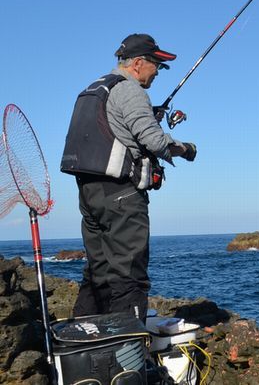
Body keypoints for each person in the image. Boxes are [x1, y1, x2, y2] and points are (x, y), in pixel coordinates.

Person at [61, 33, 197, 322]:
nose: (158, 72)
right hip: (121, 196)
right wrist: (185, 149)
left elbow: (114, 128)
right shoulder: (131, 91)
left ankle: (81, 342)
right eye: (156, 65)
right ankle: (128, 355)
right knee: (129, 274)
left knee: (98, 272)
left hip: (89, 195)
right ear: (137, 64)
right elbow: (155, 141)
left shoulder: (94, 89)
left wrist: (149, 115)